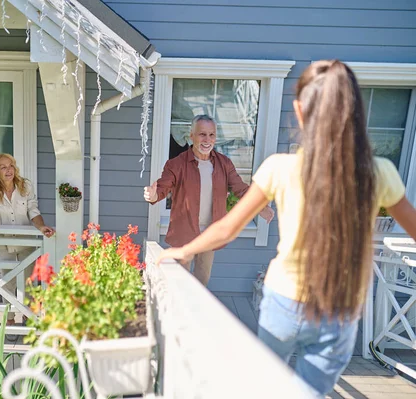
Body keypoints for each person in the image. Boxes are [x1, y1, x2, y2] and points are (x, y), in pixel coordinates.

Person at [156, 61, 416, 397]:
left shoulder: (279, 168)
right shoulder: (379, 172)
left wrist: (182, 250)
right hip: (339, 308)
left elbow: (227, 229)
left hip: (283, 303)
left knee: (264, 387)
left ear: (299, 110)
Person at [144, 114, 275, 286]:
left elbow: (240, 188)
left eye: (211, 135)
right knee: (179, 284)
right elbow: (162, 187)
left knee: (201, 284)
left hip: (209, 235)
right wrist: (153, 195)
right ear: (191, 136)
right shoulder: (176, 164)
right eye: (202, 134)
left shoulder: (224, 164)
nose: (207, 139)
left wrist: (260, 206)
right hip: (183, 234)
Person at [0, 153, 55, 328]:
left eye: (11, 165)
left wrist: (42, 227)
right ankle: (10, 319)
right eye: (3, 167)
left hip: (26, 243)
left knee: (28, 282)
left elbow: (33, 211)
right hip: (4, 244)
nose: (8, 170)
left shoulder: (25, 186)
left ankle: (28, 316)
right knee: (7, 283)